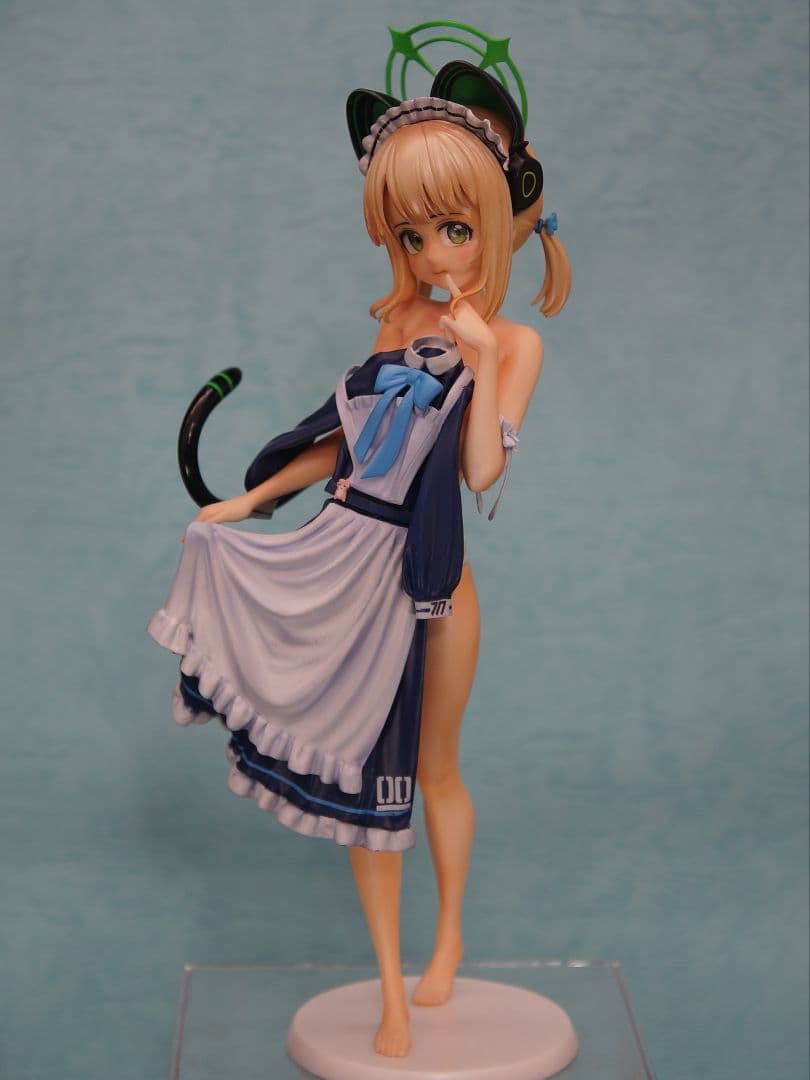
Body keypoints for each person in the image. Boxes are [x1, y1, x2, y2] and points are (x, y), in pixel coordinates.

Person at [148, 61, 570, 1058]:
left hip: (431, 585)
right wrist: (248, 501)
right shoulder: (394, 323)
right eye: (413, 235)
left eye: (453, 228)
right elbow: (345, 443)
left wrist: (478, 359)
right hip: (344, 559)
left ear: (496, 217)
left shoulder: (513, 343)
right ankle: (387, 986)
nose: (433, 253)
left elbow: (479, 473)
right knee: (359, 778)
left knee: (433, 770)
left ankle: (448, 938)